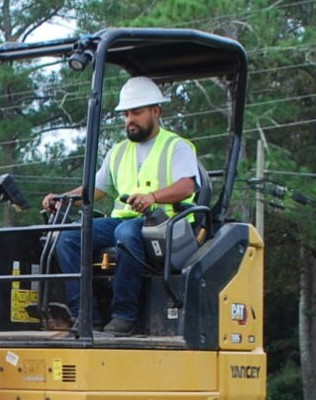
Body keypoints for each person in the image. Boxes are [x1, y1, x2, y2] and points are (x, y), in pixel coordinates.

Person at [42, 75, 202, 336]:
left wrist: (153, 197)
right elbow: (96, 189)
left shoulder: (177, 147)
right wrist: (63, 197)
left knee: (125, 234)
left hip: (166, 223)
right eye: (126, 114)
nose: (130, 120)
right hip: (124, 220)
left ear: (156, 111)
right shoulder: (118, 151)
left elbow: (187, 186)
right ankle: (86, 314)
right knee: (69, 237)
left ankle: (124, 315)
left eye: (136, 113)